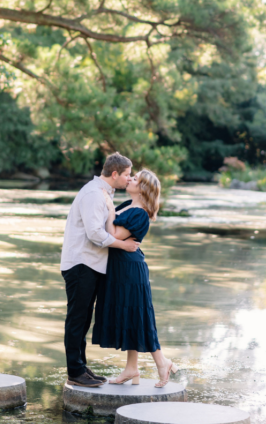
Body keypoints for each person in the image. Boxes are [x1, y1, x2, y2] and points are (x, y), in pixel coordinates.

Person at [60, 152, 141, 387]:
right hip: (81, 264)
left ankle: (81, 367)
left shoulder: (104, 193)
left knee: (84, 318)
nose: (129, 179)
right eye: (126, 175)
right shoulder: (94, 194)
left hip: (91, 264)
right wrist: (123, 245)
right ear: (114, 174)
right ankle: (75, 372)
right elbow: (95, 234)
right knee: (77, 318)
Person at [92, 169, 179, 388]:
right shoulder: (127, 205)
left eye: (135, 178)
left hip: (130, 271)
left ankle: (162, 362)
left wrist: (109, 207)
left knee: (139, 317)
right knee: (131, 316)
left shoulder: (140, 212)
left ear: (143, 189)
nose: (130, 179)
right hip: (120, 268)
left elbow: (113, 234)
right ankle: (132, 368)